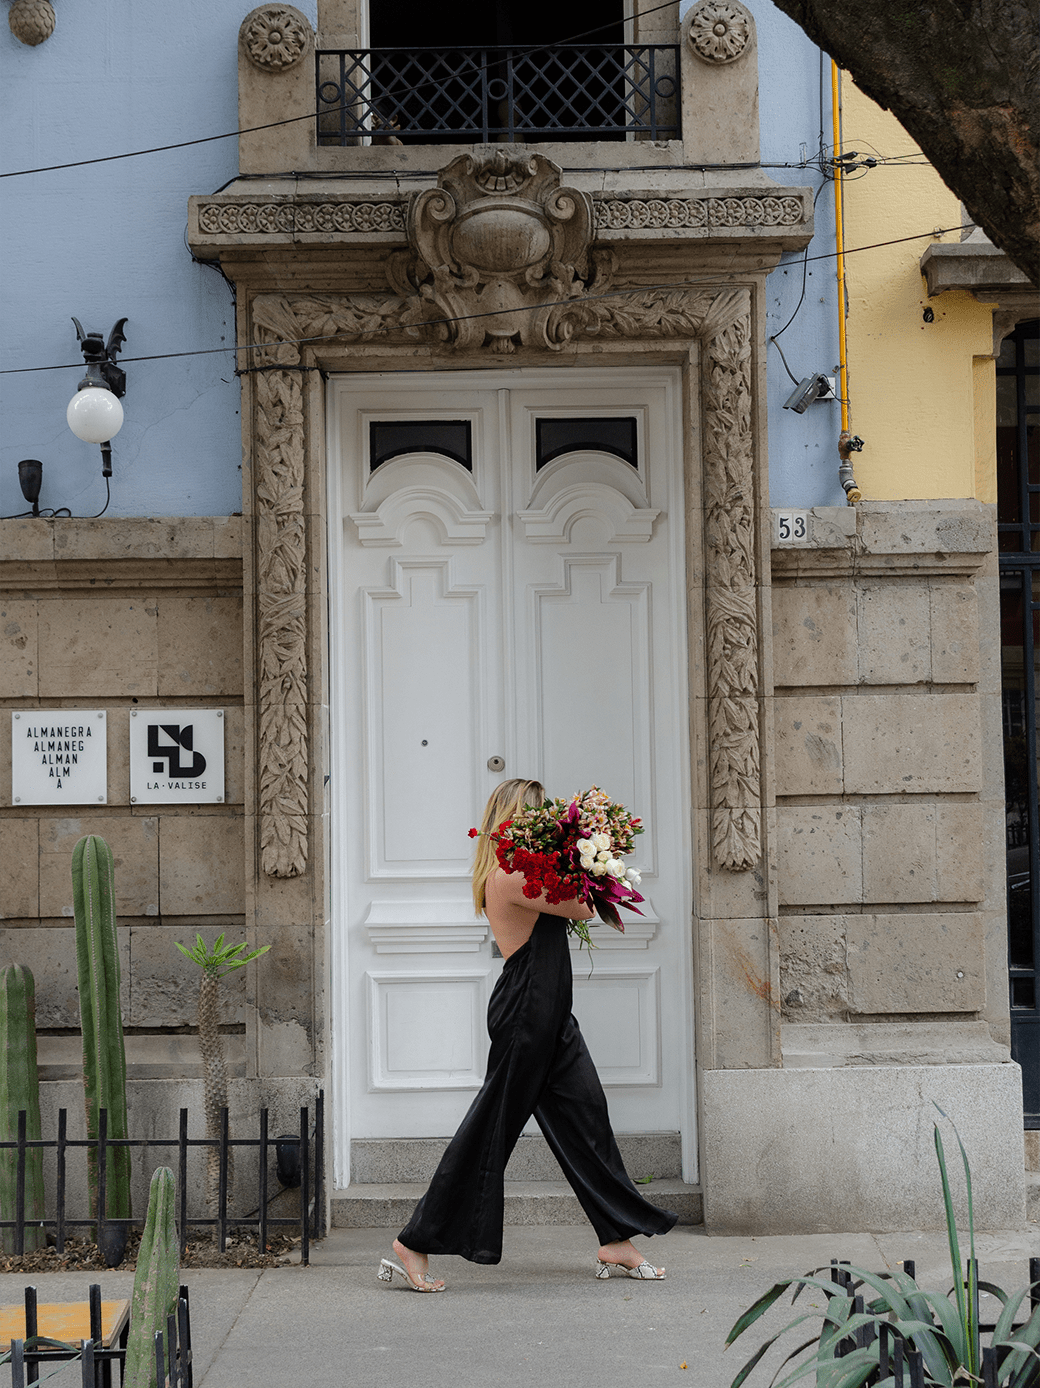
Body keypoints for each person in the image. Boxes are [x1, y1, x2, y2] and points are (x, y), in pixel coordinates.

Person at [378, 778, 677, 1292]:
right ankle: (415, 1241)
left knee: (587, 1116)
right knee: (490, 1130)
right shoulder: (511, 874)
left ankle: (616, 1238)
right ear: (515, 819)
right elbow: (583, 907)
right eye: (536, 817)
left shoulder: (525, 868)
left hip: (551, 1014)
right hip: (525, 1015)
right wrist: (587, 854)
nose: (544, 828)